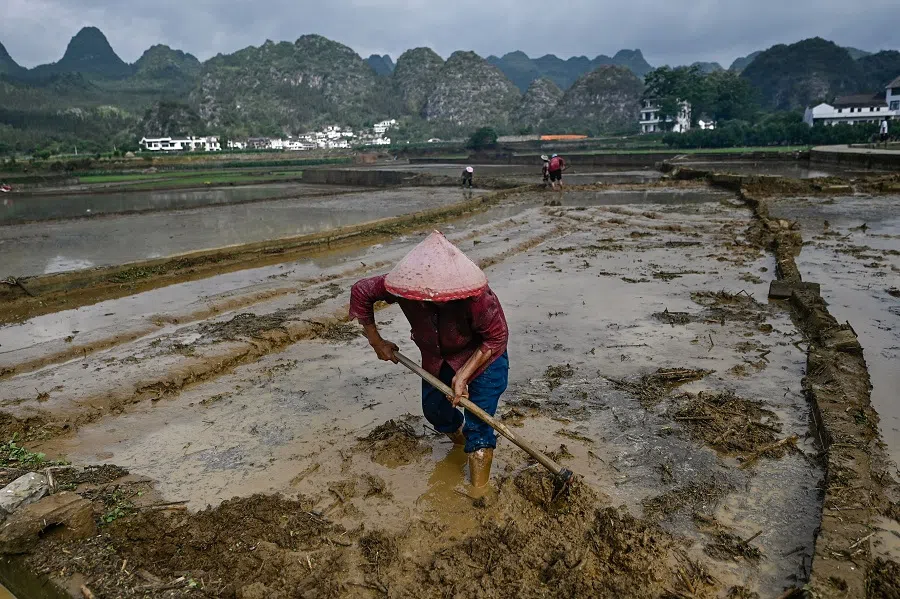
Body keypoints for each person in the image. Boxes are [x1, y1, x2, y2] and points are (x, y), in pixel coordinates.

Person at [349, 231, 509, 488]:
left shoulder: (477, 296)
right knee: (436, 412)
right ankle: (460, 447)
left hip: (484, 358)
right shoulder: (402, 287)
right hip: (436, 356)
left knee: (479, 427)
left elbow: (496, 338)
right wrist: (377, 342)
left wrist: (464, 375)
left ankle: (479, 492)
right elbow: (361, 292)